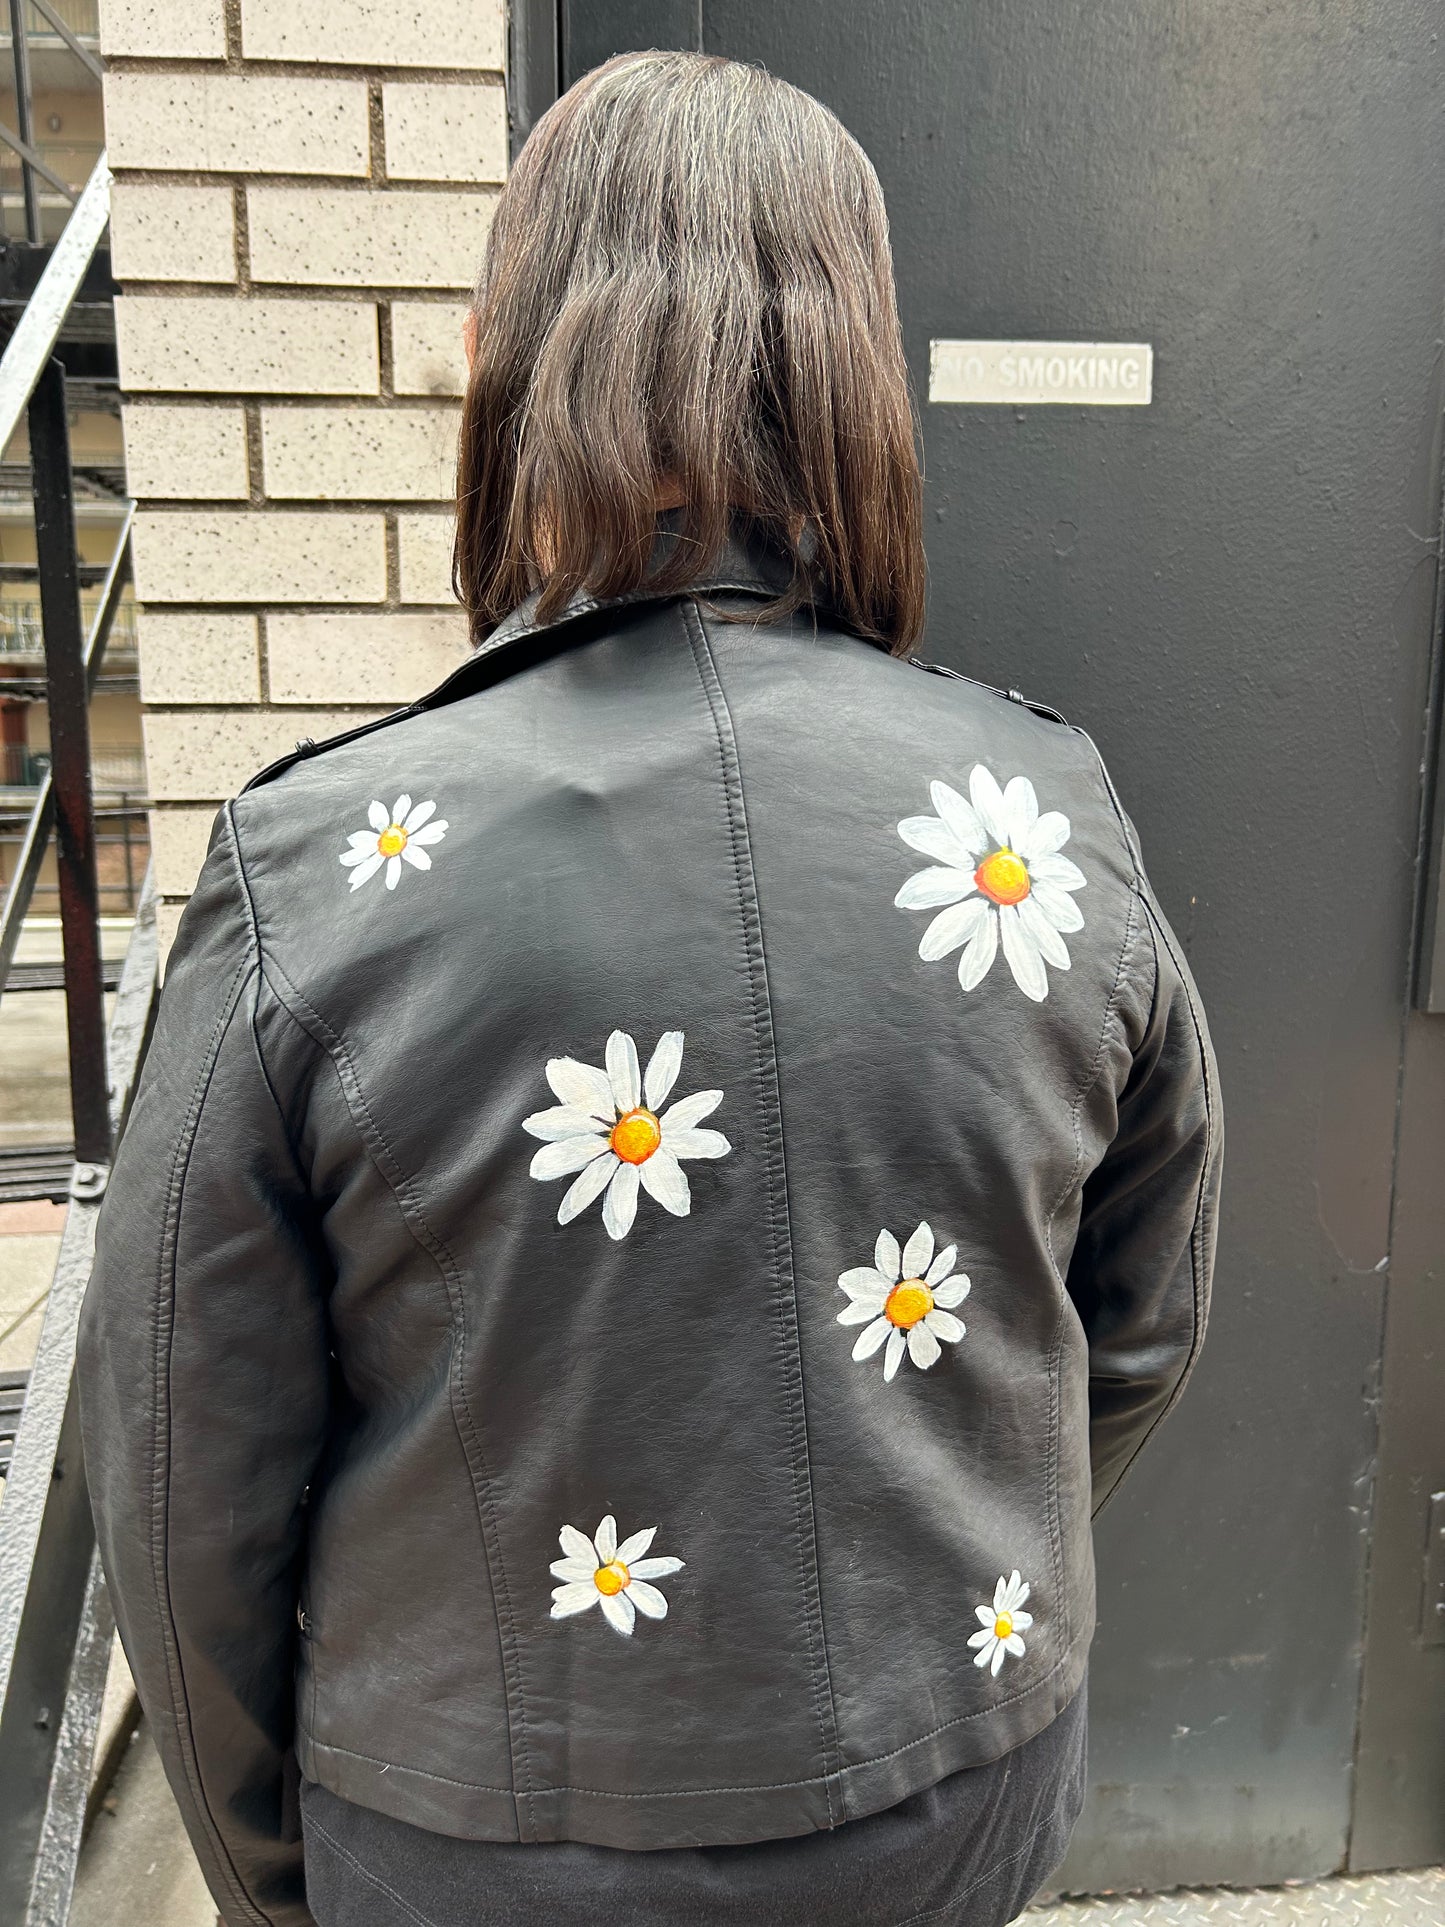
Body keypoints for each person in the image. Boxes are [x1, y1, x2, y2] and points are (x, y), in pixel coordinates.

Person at [77, 49, 1221, 1927]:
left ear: (500, 361)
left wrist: (281, 1872)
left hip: (480, 1839)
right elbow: (1141, 1321)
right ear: (857, 377)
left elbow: (182, 1463)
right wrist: (952, 1607)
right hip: (957, 1792)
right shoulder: (1040, 820)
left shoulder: (323, 863)